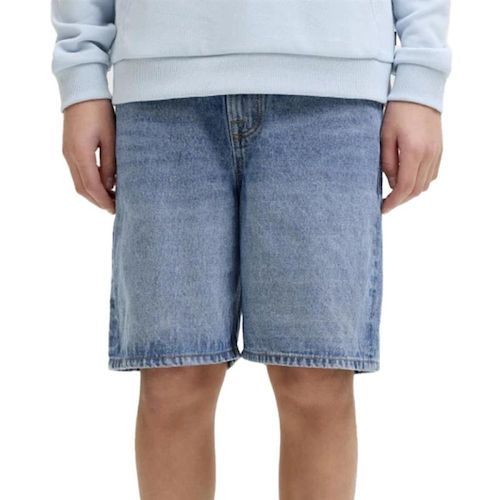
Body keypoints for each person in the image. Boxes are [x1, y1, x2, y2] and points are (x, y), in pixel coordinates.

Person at [51, 0, 451, 498]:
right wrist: (82, 72)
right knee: (173, 380)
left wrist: (420, 77)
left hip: (331, 85)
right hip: (161, 89)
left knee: (316, 381)